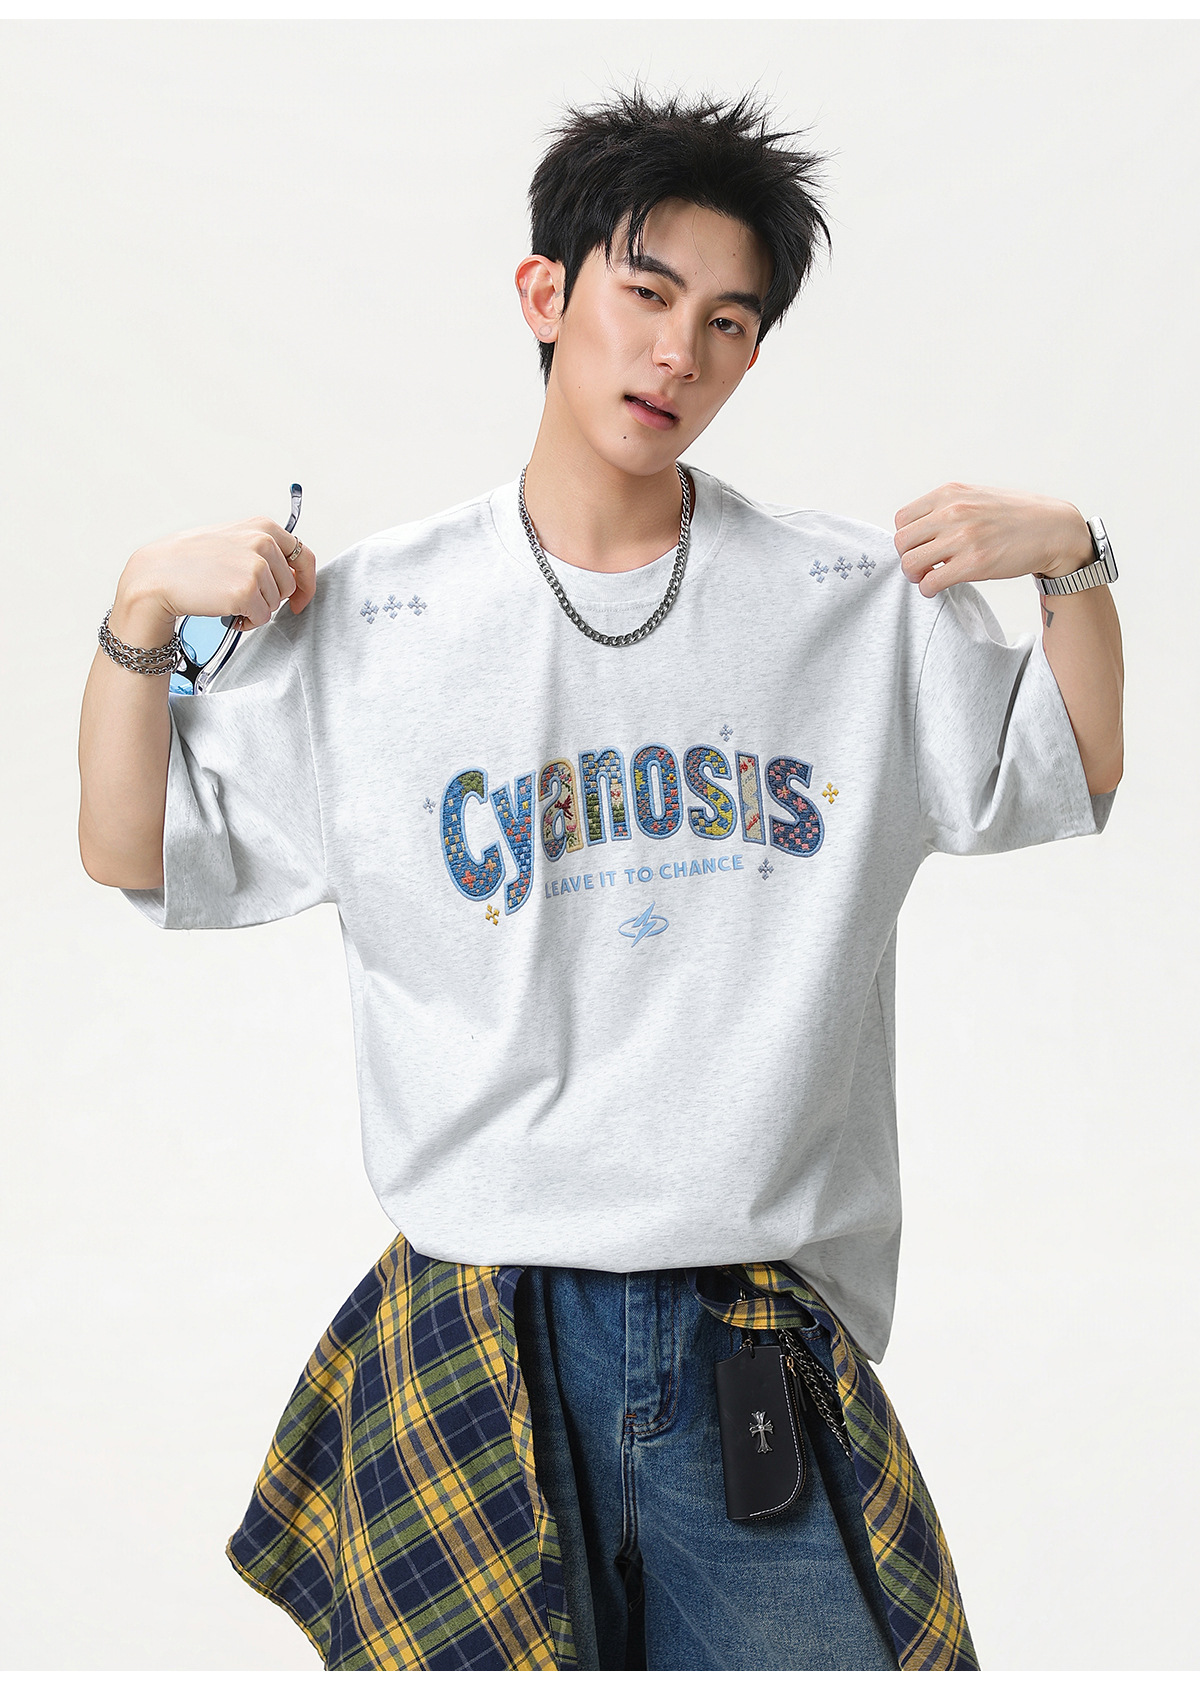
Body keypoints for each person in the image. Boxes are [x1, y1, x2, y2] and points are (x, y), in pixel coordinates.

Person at [77, 88, 1124, 1672]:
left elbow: (1071, 771)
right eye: (646, 292)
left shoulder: (845, 602)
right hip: (477, 1327)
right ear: (546, 293)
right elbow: (131, 845)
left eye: (728, 322)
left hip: (752, 1330)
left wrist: (1074, 561)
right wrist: (143, 607)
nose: (677, 353)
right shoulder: (381, 621)